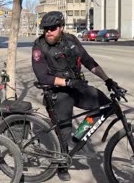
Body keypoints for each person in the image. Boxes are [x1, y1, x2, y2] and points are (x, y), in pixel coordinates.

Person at [31, 11, 122, 181]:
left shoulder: (71, 40)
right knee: (63, 132)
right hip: (57, 92)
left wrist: (108, 80)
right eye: (45, 29)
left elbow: (88, 61)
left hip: (77, 86)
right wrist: (67, 83)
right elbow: (43, 76)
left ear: (61, 27)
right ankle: (62, 165)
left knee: (104, 104)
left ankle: (79, 135)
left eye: (52, 28)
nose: (48, 32)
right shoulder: (39, 46)